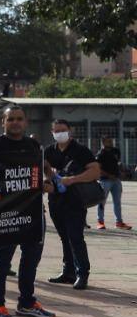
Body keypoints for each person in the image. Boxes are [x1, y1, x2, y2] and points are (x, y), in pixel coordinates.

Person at [0, 106, 55, 317]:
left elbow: (44, 167)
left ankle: (26, 302)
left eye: (19, 119)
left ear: (26, 122)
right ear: (3, 122)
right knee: (2, 260)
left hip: (33, 212)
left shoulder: (32, 144)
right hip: (5, 214)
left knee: (31, 258)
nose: (15, 122)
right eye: (11, 119)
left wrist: (48, 182)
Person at [43, 119, 100, 290]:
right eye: (56, 131)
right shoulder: (48, 151)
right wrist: (48, 176)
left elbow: (95, 171)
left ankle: (82, 274)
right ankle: (68, 272)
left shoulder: (80, 150)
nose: (59, 133)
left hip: (75, 201)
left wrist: (72, 180)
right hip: (55, 202)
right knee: (64, 238)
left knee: (75, 237)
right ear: (52, 132)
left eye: (63, 130)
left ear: (70, 131)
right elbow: (44, 171)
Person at [95, 136, 129, 229]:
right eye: (108, 141)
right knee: (102, 201)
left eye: (111, 140)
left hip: (116, 180)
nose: (110, 142)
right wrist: (109, 175)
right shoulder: (100, 154)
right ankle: (100, 221)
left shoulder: (116, 151)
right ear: (103, 142)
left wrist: (121, 172)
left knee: (117, 202)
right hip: (105, 181)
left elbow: (117, 163)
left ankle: (119, 222)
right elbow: (98, 168)